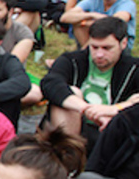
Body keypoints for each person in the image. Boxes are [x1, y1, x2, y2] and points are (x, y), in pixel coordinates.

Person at [41, 17, 139, 152]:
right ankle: (68, 157)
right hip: (72, 125)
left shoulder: (134, 67)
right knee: (72, 92)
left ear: (123, 43)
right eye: (94, 47)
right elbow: (50, 83)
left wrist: (113, 110)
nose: (99, 54)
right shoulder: (72, 60)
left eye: (106, 48)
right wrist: (86, 109)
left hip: (113, 129)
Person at [61, 0, 136, 51]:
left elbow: (115, 23)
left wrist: (90, 23)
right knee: (79, 23)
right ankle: (88, 55)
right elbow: (65, 17)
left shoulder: (126, 3)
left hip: (118, 46)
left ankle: (85, 54)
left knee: (103, 28)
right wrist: (92, 15)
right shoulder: (93, 0)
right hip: (93, 41)